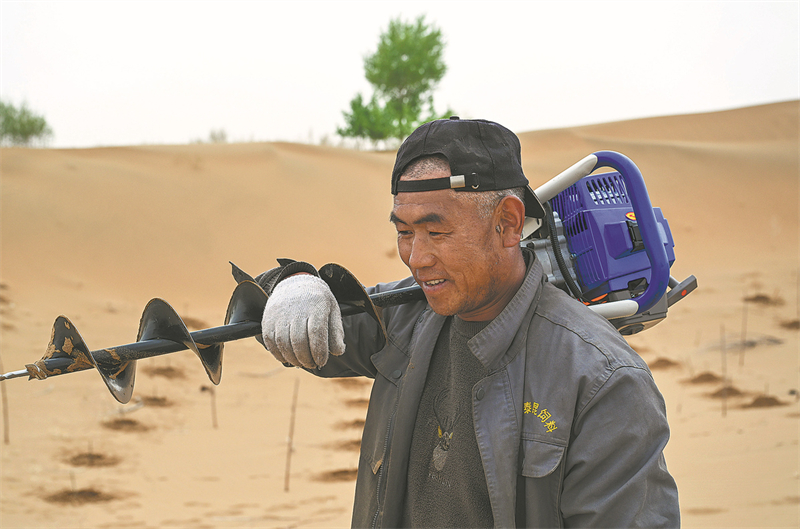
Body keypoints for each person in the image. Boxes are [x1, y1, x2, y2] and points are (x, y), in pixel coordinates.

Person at [256, 117, 680, 528]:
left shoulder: (603, 381)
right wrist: (291, 282)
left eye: (436, 233)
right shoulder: (407, 316)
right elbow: (288, 332)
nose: (417, 259)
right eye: (404, 232)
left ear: (508, 223)